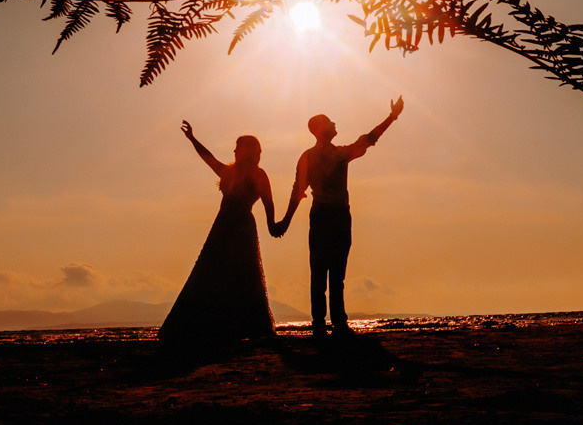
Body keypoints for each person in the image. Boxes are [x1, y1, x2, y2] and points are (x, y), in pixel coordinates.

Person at [278, 97, 403, 337]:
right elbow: (298, 190)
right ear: (320, 129)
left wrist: (286, 220)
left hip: (330, 216)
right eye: (329, 122)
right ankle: (332, 322)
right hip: (332, 216)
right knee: (330, 272)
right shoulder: (329, 155)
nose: (335, 123)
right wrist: (286, 220)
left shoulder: (327, 154)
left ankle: (326, 322)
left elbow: (368, 139)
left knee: (327, 272)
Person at [158, 122, 280, 344]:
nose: (234, 151)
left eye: (237, 147)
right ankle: (211, 325)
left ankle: (240, 325)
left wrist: (276, 223)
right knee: (210, 274)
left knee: (241, 276)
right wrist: (193, 139)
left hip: (241, 228)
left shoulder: (259, 175)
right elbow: (208, 157)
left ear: (248, 150)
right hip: (222, 227)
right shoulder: (228, 172)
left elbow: (269, 205)